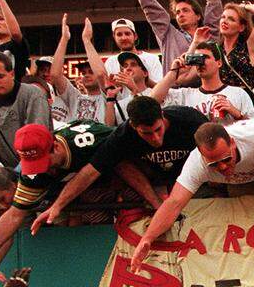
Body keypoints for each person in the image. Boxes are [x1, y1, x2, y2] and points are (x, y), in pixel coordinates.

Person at [0, 120, 160, 287]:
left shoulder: (90, 141)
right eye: (33, 165)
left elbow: (122, 165)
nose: (42, 169)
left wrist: (157, 204)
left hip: (120, 177)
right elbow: (13, 216)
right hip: (87, 196)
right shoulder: (32, 174)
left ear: (56, 146)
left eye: (44, 162)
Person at [129, 118, 254, 268]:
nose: (223, 168)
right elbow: (174, 202)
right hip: (240, 185)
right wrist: (148, 238)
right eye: (214, 164)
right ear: (201, 154)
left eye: (226, 159)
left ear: (232, 142)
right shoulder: (196, 163)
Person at [35, 98, 206, 230]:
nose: (155, 139)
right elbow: (90, 172)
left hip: (194, 181)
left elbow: (215, 143)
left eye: (158, 130)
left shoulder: (188, 119)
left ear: (162, 116)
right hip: (156, 183)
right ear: (133, 126)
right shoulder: (123, 135)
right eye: (146, 133)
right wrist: (57, 206)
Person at [125, 0, 223, 84]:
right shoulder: (168, 34)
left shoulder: (208, 34)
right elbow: (146, 1)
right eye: (177, 12)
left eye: (185, 10)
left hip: (208, 95)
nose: (180, 14)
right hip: (177, 94)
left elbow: (215, 4)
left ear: (198, 16)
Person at [0, 51, 52, 172]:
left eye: (0, 76)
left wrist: (15, 176)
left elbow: (35, 143)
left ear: (12, 74)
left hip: (37, 167)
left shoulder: (33, 94)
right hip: (4, 169)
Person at [151, 42, 254, 124]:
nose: (201, 62)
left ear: (219, 63)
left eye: (205, 57)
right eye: (197, 58)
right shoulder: (185, 95)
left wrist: (237, 114)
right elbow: (152, 100)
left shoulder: (238, 93)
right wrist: (174, 72)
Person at [216, 2, 254, 90]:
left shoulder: (249, 47)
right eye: (223, 17)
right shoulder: (215, 49)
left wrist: (244, 7)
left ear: (241, 27)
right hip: (219, 100)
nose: (224, 21)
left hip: (243, 101)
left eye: (231, 19)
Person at [103, 17, 164, 84]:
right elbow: (106, 89)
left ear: (135, 36)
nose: (124, 38)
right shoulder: (110, 62)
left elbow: (160, 87)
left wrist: (141, 79)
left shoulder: (152, 59)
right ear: (114, 38)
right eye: (119, 34)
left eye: (127, 33)